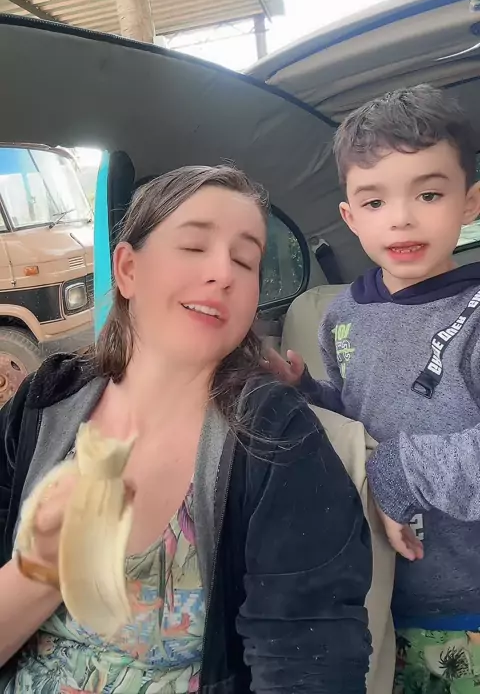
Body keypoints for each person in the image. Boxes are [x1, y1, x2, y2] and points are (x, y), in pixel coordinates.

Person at [0, 165, 372, 694]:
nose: (223, 272)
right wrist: (41, 569)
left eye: (245, 260)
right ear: (127, 270)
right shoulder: (44, 402)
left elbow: (309, 666)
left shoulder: (278, 437)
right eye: (195, 247)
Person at [265, 86, 480, 693]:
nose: (401, 218)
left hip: (465, 600)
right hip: (375, 590)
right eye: (375, 200)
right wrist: (308, 393)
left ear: (470, 202)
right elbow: (355, 417)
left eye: (429, 194)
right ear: (350, 217)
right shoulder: (344, 315)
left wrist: (401, 472)